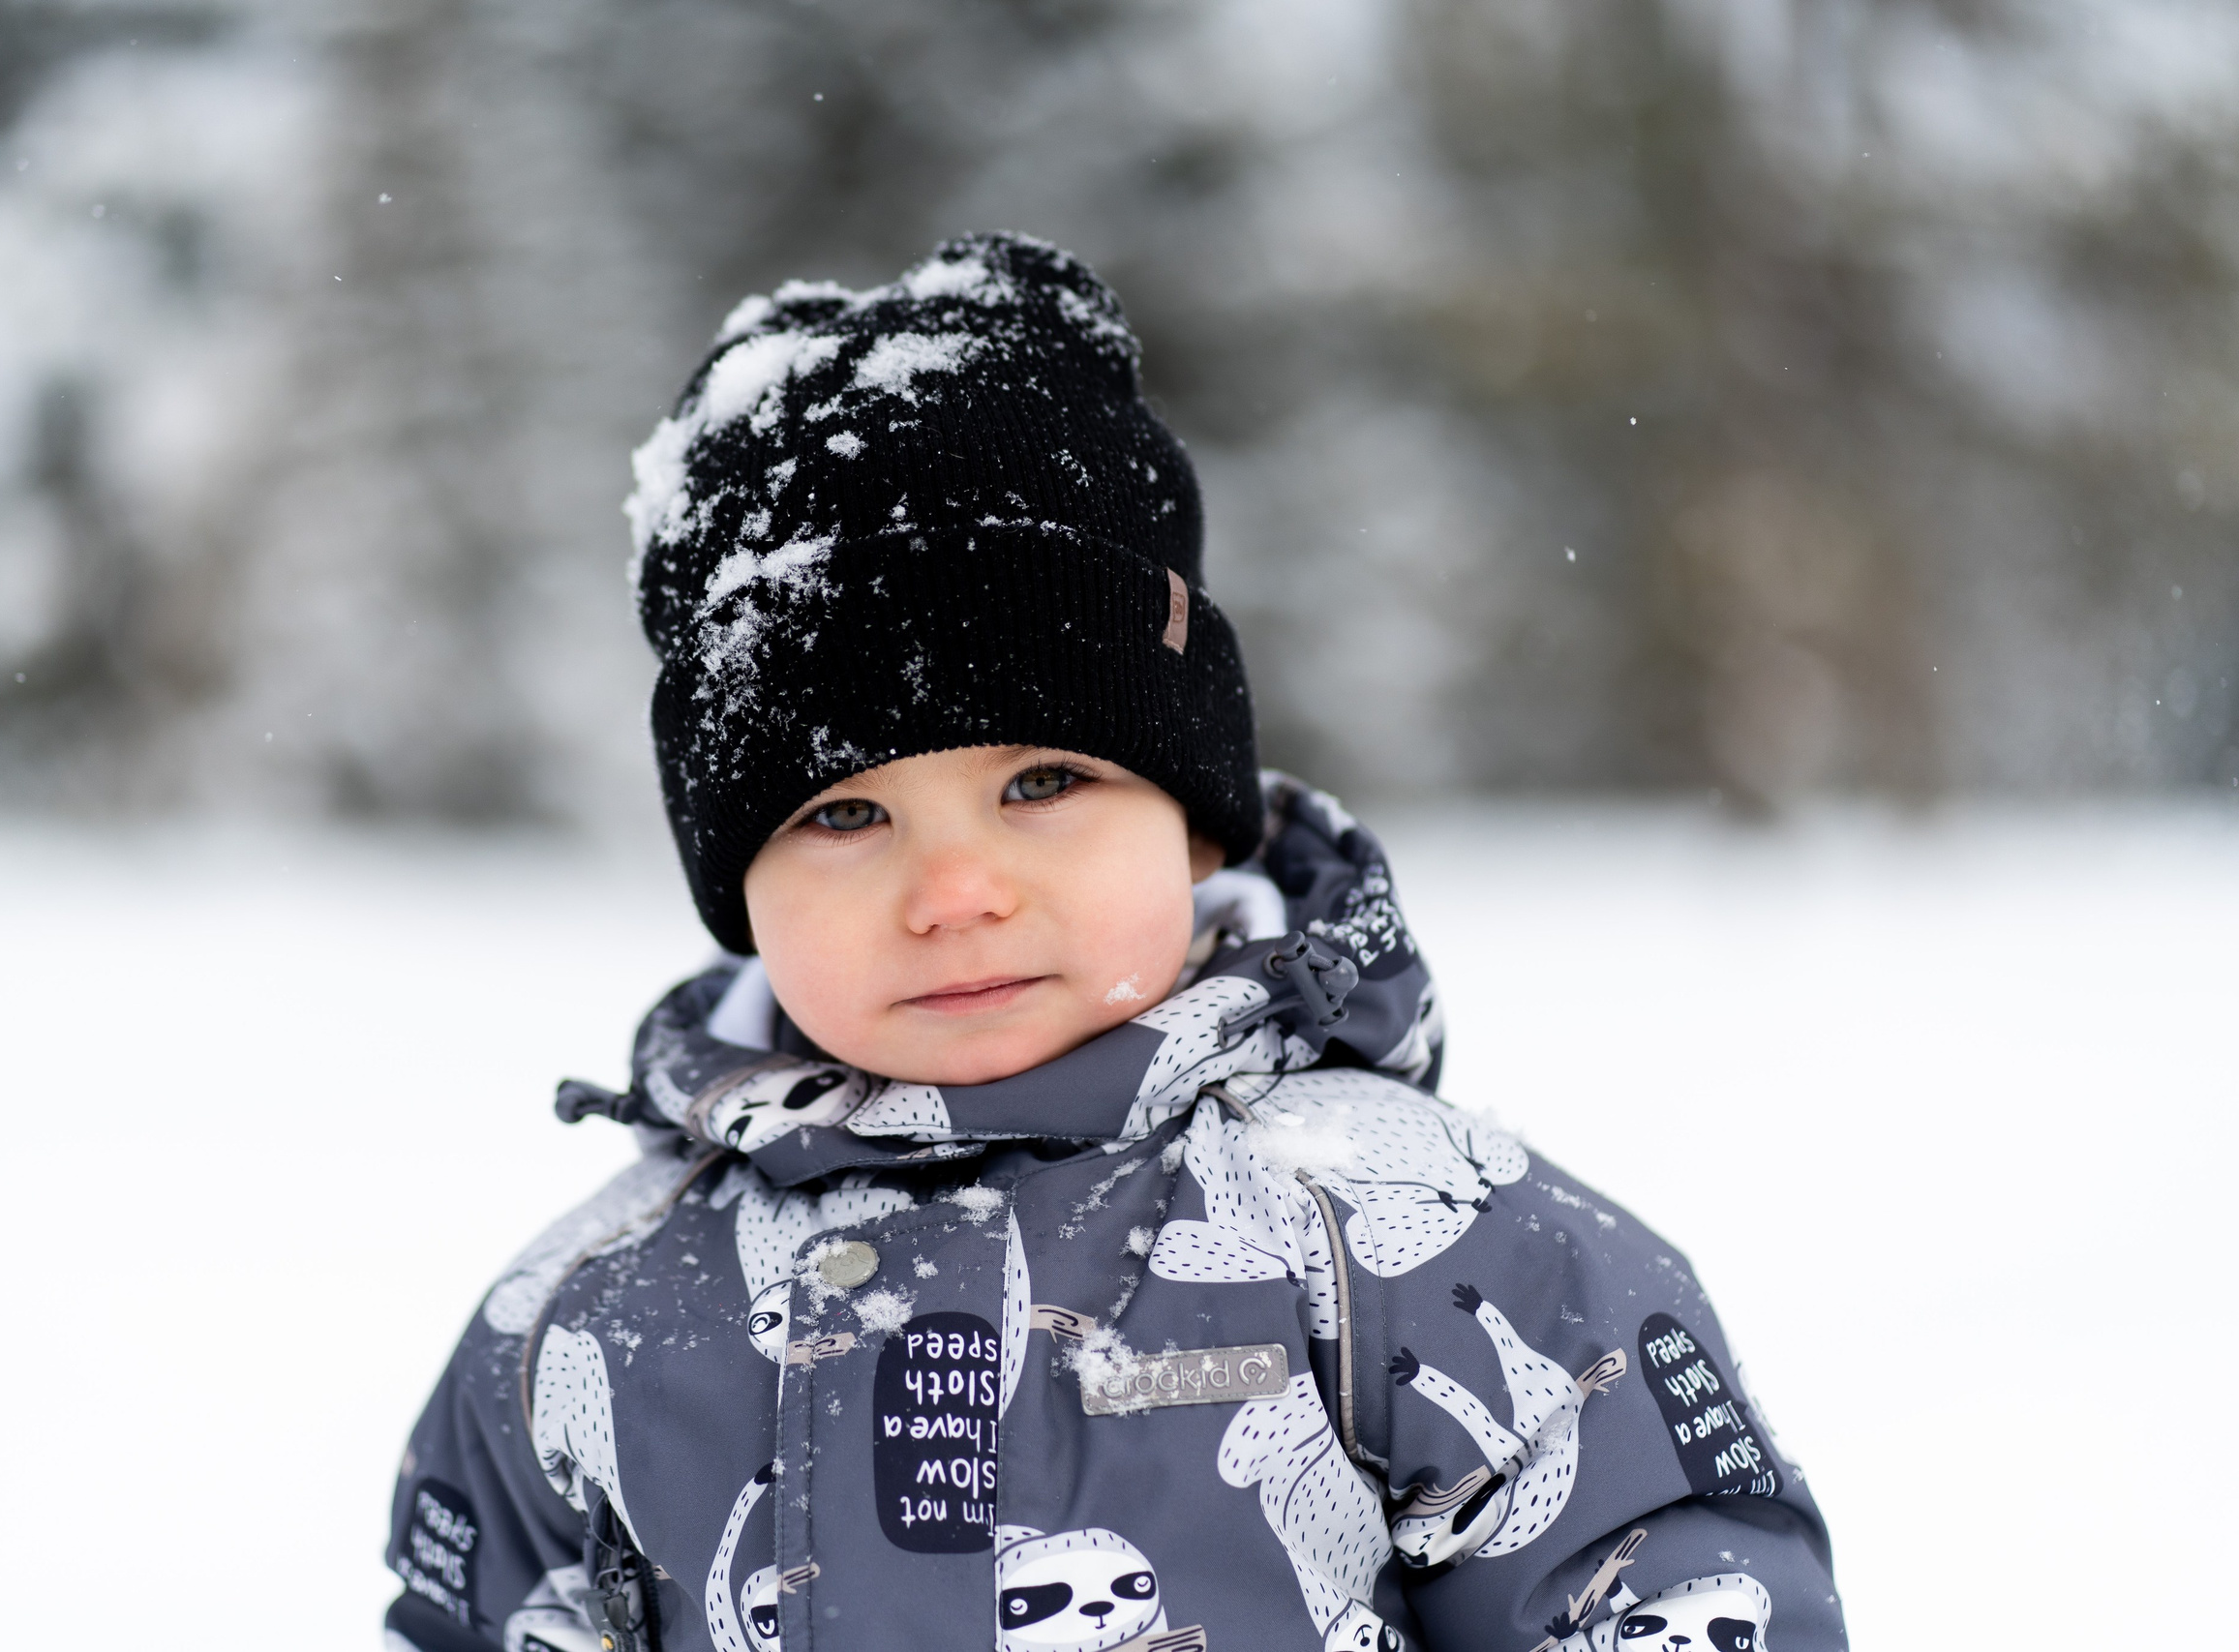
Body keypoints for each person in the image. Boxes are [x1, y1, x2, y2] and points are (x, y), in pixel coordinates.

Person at [381, 232, 1843, 1652]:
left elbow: (1665, 1591)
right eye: (844, 815)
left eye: (1041, 785)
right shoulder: (590, 1316)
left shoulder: (1419, 1242)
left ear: (1194, 828)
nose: (955, 892)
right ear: (737, 886)